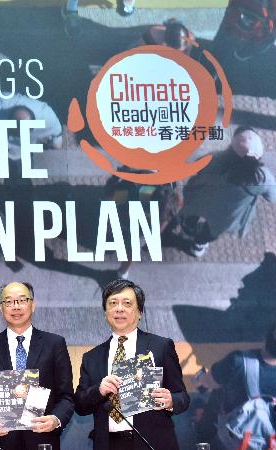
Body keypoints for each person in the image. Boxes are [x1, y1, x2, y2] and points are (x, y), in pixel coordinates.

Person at [75, 279, 190, 450]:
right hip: (108, 444)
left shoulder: (160, 347)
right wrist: (98, 390)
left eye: (127, 303)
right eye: (113, 303)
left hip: (151, 442)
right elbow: (80, 405)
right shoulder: (92, 357)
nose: (119, 308)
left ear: (140, 312)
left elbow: (183, 397)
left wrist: (171, 400)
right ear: (105, 312)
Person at [0, 281, 75, 450]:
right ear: (1, 308)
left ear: (33, 305)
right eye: (9, 301)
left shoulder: (54, 344)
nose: (16, 306)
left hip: (43, 441)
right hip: (0, 442)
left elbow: (66, 396)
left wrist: (55, 419)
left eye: (22, 300)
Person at [177, 126, 276, 257]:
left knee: (193, 212)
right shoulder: (262, 179)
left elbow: (196, 166)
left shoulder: (215, 158)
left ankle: (188, 229)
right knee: (213, 229)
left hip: (203, 198)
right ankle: (198, 246)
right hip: (229, 212)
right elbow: (272, 197)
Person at [195, 318, 276, 449]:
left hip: (234, 430)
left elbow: (209, 381)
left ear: (265, 338)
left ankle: (203, 439)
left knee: (217, 392)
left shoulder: (239, 361)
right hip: (269, 437)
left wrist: (200, 379)